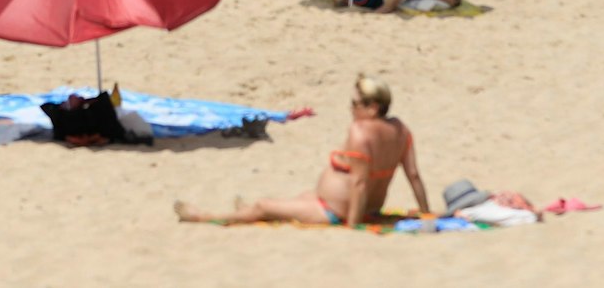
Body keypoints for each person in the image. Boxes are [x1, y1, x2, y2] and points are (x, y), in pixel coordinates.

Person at [176, 74, 428, 227]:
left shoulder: (360, 132)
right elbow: (413, 175)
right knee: (300, 198)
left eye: (355, 104)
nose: (350, 109)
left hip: (339, 211)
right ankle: (246, 210)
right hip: (354, 205)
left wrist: (353, 226)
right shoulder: (401, 130)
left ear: (372, 108)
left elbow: (360, 183)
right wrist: (426, 213)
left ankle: (205, 217)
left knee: (264, 206)